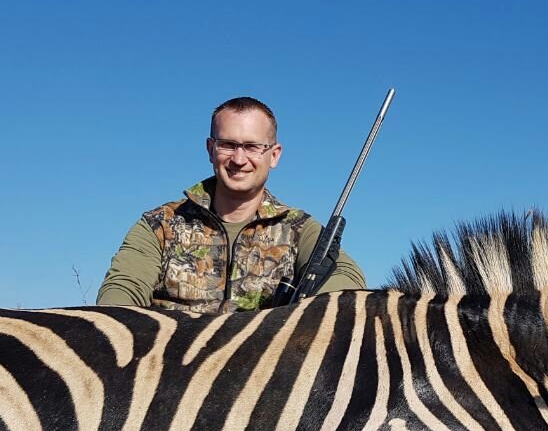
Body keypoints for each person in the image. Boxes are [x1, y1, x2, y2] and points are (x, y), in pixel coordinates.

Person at [97, 97, 365, 312]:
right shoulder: (160, 224)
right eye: (228, 145)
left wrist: (301, 318)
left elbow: (346, 276)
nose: (239, 159)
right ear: (210, 149)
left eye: (252, 146)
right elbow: (122, 288)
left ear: (274, 155)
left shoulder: (299, 228)